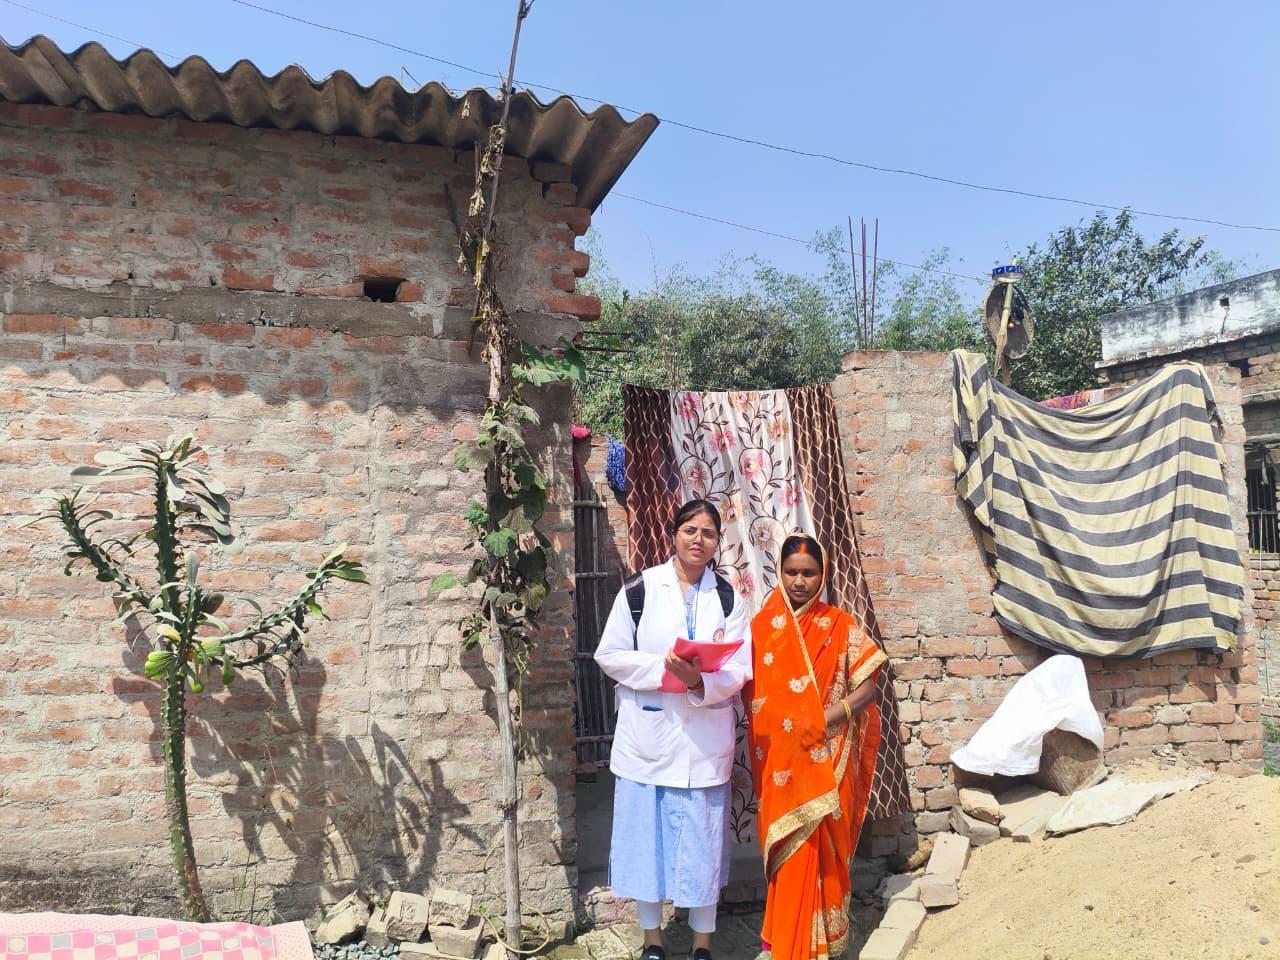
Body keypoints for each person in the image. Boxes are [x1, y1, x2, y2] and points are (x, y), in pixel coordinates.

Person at [594, 499, 752, 960]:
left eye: (707, 533)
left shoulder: (727, 598)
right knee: (648, 844)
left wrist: (699, 681)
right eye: (690, 530)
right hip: (648, 740)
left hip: (702, 745)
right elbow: (610, 655)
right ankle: (652, 939)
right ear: (674, 534)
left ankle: (703, 943)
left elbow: (740, 668)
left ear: (717, 542)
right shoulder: (640, 591)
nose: (698, 540)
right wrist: (666, 674)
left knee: (703, 848)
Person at [746, 534, 886, 960]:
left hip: (831, 757)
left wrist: (827, 717)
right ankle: (789, 945)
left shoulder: (840, 624)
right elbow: (750, 695)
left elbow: (868, 686)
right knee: (791, 854)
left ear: (823, 575)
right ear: (779, 573)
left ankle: (822, 943)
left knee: (825, 850)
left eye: (809, 573)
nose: (800, 581)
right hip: (783, 764)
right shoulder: (761, 628)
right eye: (792, 572)